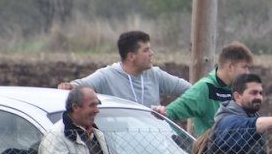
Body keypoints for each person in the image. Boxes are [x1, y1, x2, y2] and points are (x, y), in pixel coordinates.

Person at [58, 30, 190, 110]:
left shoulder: (155, 74)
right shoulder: (107, 76)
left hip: (154, 145)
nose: (152, 53)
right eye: (146, 50)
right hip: (121, 151)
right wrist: (69, 86)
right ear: (131, 56)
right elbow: (81, 86)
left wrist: (171, 111)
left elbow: (190, 91)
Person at [164, 42, 254, 134]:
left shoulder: (239, 89)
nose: (248, 72)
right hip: (211, 147)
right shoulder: (204, 89)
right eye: (244, 67)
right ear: (230, 67)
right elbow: (169, 113)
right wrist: (185, 142)